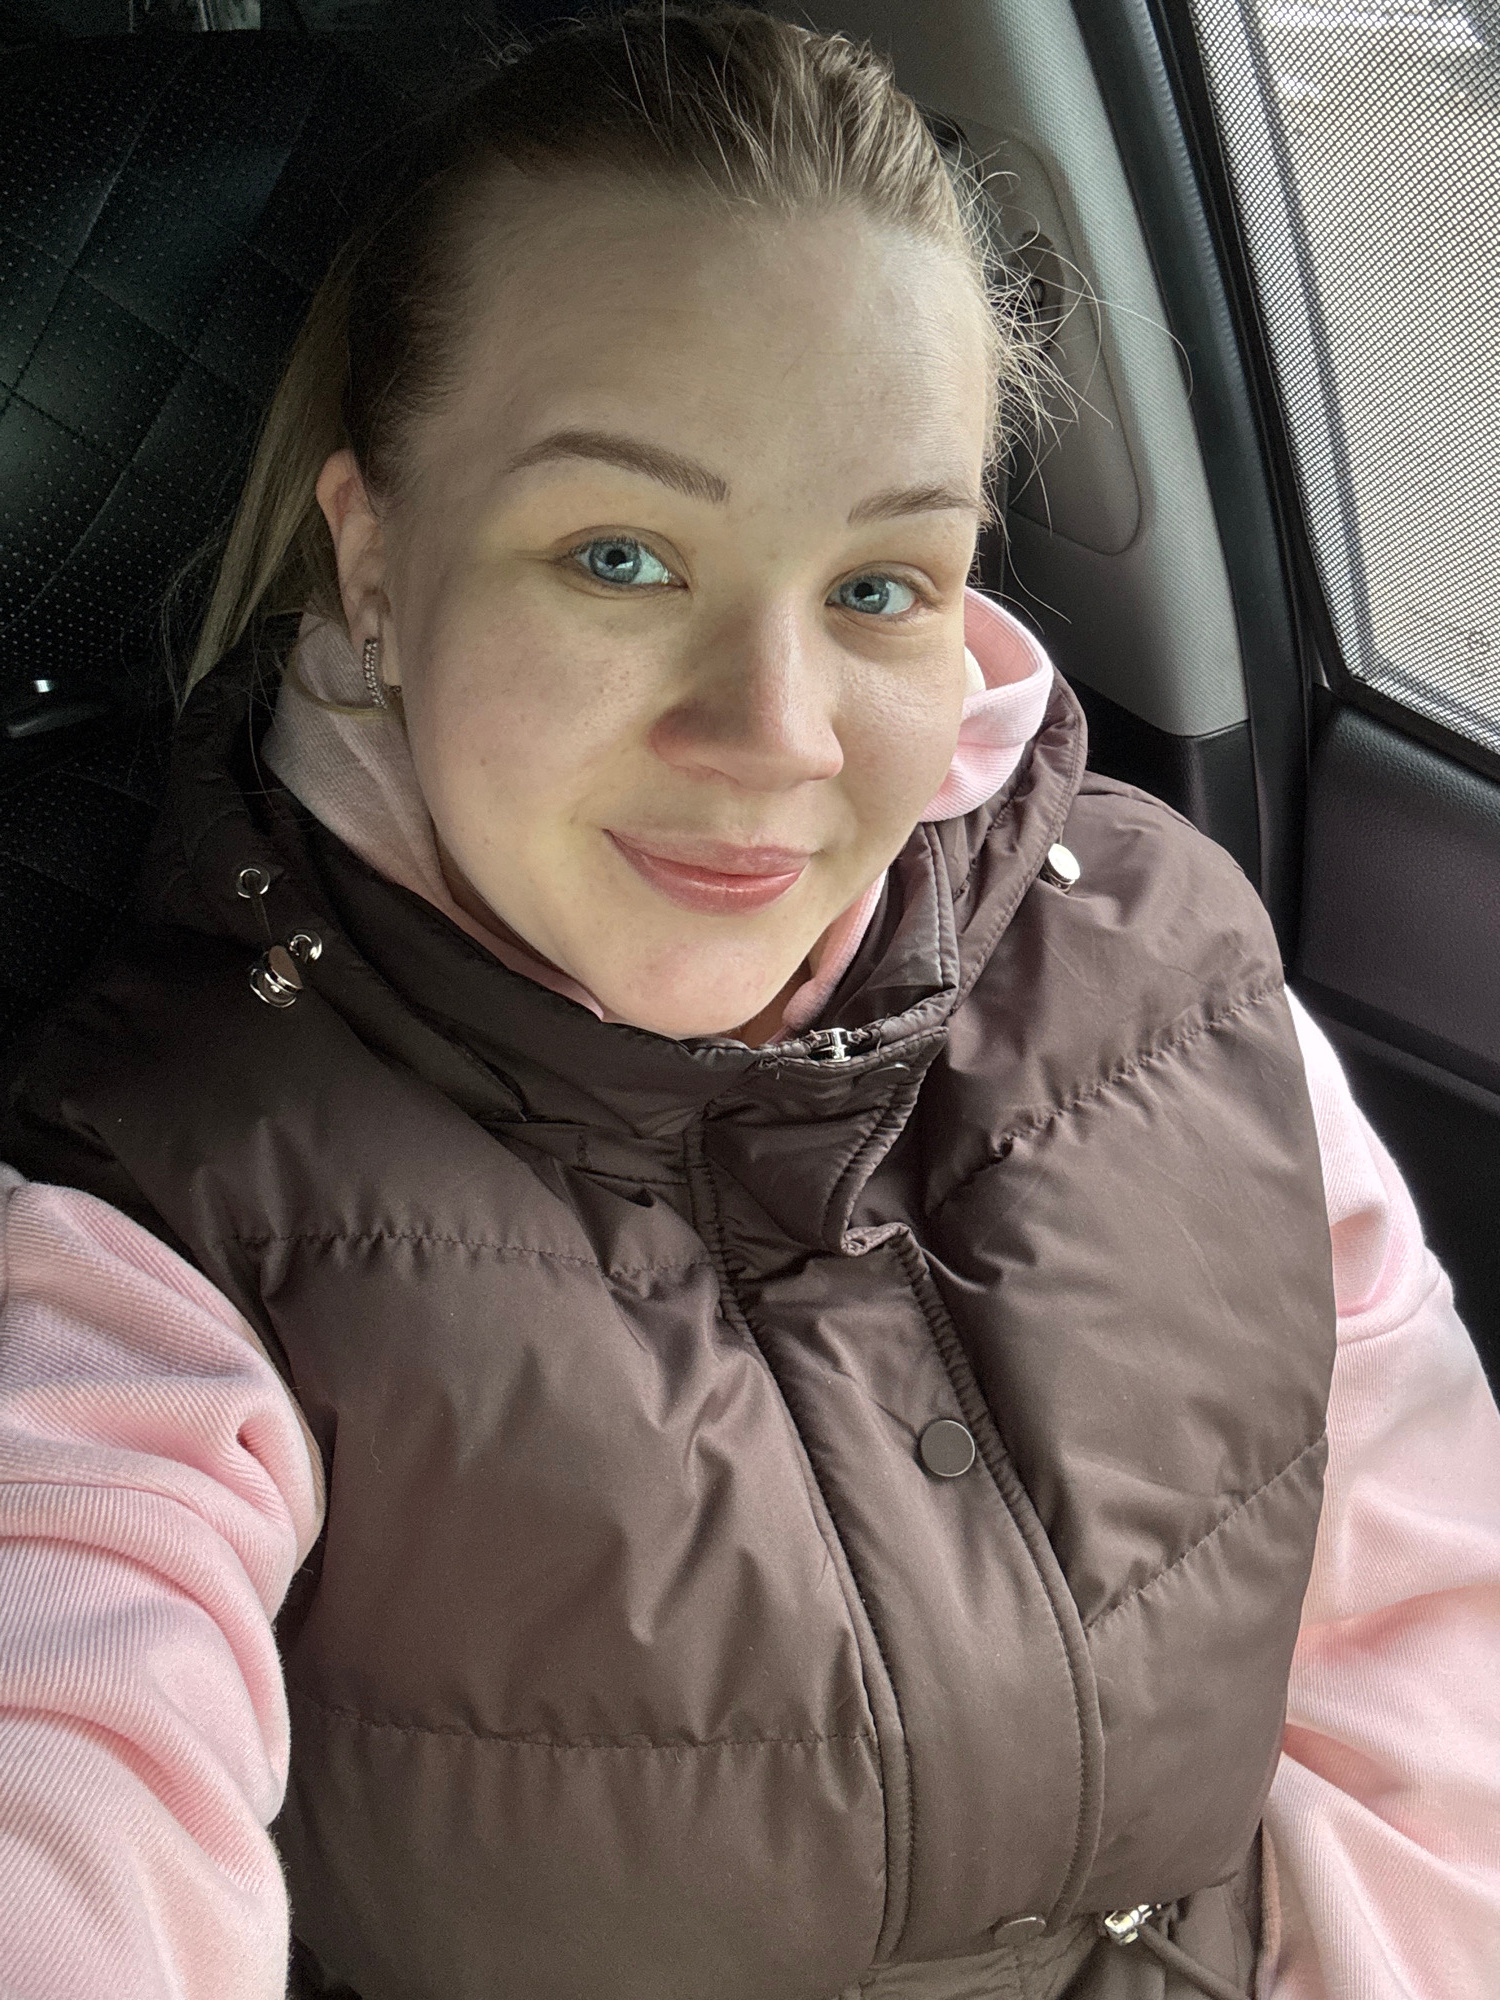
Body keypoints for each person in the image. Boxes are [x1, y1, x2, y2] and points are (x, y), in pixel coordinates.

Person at [0, 7, 1496, 1997]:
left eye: (879, 584)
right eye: (622, 557)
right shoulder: (160, 1227)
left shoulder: (1172, 972)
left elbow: (1437, 1670)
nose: (774, 734)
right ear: (376, 564)